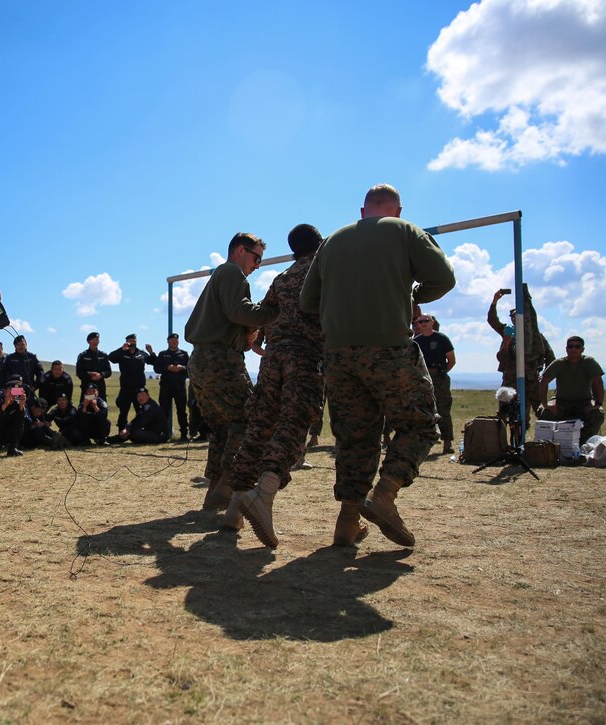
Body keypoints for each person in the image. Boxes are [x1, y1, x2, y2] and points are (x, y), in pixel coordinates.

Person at [300, 184, 454, 549]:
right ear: (397, 210)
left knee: (355, 438)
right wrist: (412, 296)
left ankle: (347, 522)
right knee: (419, 425)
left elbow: (308, 301)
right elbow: (444, 278)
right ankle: (384, 495)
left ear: (362, 210)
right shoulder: (404, 230)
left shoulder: (333, 241)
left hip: (338, 356)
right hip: (388, 348)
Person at [227, 224, 325, 545]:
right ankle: (263, 495)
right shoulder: (322, 271)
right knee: (294, 425)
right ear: (319, 244)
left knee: (261, 426)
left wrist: (259, 344)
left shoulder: (281, 279)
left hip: (271, 361)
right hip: (305, 358)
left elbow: (263, 318)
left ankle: (234, 508)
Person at [185, 232, 279, 511]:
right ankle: (226, 486)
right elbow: (240, 312)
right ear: (240, 250)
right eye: (256, 257)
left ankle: (215, 491)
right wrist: (273, 311)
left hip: (205, 360)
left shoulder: (222, 275)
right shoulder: (232, 273)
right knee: (250, 417)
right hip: (220, 361)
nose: (258, 264)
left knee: (224, 428)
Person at [488, 286, 555, 418]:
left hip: (531, 379)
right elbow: (492, 320)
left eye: (517, 317)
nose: (515, 319)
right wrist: (495, 301)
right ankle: (508, 437)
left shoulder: (537, 337)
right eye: (512, 317)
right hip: (510, 379)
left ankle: (544, 435)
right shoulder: (508, 333)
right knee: (505, 412)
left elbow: (550, 358)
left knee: (542, 410)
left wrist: (544, 377)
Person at [539, 336, 605, 445]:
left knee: (597, 414)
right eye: (570, 346)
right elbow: (544, 381)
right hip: (561, 402)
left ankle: (584, 445)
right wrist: (545, 404)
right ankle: (548, 446)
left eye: (577, 347)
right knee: (545, 412)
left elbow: (599, 382)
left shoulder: (589, 362)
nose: (573, 349)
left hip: (584, 402)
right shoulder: (559, 363)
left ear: (582, 349)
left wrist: (597, 404)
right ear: (566, 349)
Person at [413, 314, 455, 454]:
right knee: (422, 410)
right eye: (420, 321)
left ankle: (447, 443)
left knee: (443, 409)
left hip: (439, 377)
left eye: (426, 321)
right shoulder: (416, 342)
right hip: (422, 378)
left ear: (432, 322)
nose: (423, 323)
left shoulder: (442, 339)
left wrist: (441, 373)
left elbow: (451, 360)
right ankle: (421, 443)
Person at [109, 334, 157, 430]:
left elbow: (153, 362)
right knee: (123, 411)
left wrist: (151, 352)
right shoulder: (122, 353)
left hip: (139, 389)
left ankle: (140, 430)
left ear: (136, 341)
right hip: (126, 388)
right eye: (129, 341)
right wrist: (121, 349)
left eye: (133, 340)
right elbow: (111, 358)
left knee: (140, 410)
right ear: (126, 342)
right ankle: (121, 431)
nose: (131, 342)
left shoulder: (141, 353)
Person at [154, 333, 190, 440]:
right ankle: (164, 433)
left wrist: (181, 368)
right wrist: (167, 368)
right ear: (168, 341)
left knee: (181, 411)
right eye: (172, 340)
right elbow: (157, 368)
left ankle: (184, 434)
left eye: (176, 340)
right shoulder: (163, 354)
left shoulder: (184, 354)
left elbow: (190, 369)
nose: (174, 342)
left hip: (179, 387)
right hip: (166, 387)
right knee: (163, 411)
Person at [76, 331, 112, 401]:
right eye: (93, 339)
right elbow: (79, 373)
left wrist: (101, 375)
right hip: (87, 388)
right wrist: (91, 377)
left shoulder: (103, 355)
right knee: (86, 408)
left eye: (97, 339)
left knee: (101, 409)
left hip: (100, 389)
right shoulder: (83, 356)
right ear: (88, 341)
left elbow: (108, 371)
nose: (95, 341)